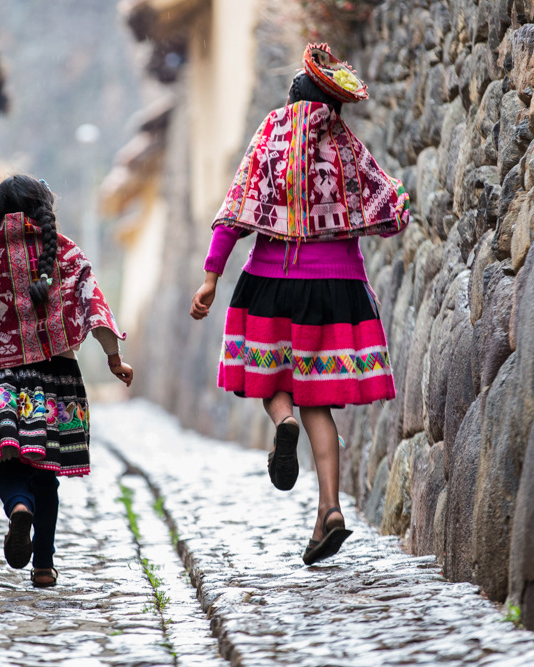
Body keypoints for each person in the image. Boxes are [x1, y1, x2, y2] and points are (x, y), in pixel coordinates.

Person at [190, 44, 410, 565]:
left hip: (270, 281)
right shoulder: (344, 144)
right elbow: (390, 213)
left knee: (273, 383)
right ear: (331, 104)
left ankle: (281, 422)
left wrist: (210, 277)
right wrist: (394, 195)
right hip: (337, 289)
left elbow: (236, 211)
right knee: (320, 404)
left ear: (291, 101)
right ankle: (330, 509)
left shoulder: (270, 137)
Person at [0, 174, 133, 587]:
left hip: (1, 384)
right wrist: (114, 357)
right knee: (46, 471)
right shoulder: (64, 253)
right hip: (56, 383)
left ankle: (18, 508)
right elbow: (93, 303)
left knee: (11, 463)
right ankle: (43, 566)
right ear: (44, 207)